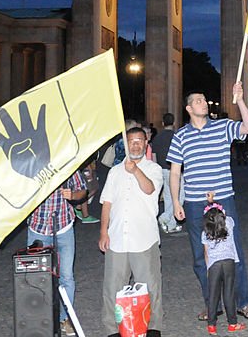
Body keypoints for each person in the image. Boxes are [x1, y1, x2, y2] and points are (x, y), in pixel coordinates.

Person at [167, 82, 248, 321]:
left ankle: (243, 302)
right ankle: (212, 304)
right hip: (195, 202)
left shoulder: (223, 127)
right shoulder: (180, 136)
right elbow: (176, 172)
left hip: (223, 199)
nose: (204, 103)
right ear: (188, 108)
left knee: (233, 251)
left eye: (205, 100)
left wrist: (239, 100)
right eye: (198, 100)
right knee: (201, 256)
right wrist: (176, 202)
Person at [99, 126, 164, 337]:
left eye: (139, 141)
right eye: (131, 141)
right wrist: (103, 231)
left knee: (150, 286)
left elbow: (149, 189)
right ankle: (112, 329)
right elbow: (107, 202)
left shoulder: (153, 168)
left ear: (146, 144)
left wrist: (135, 169)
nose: (135, 145)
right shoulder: (114, 171)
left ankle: (152, 327)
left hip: (143, 238)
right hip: (117, 237)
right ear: (126, 145)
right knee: (112, 287)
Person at [26, 168, 86, 336]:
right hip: (37, 228)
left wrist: (73, 195)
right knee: (36, 278)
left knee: (66, 276)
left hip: (64, 228)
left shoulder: (67, 165)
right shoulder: (30, 168)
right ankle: (40, 320)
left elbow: (83, 190)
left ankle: (65, 319)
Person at [202, 196, 246, 334]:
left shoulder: (205, 234)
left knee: (213, 294)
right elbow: (225, 214)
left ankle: (211, 325)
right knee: (229, 292)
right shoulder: (229, 224)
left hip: (214, 264)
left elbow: (206, 253)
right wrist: (213, 202)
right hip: (228, 261)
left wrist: (208, 267)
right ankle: (232, 323)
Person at [151, 113, 182, 233]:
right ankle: (166, 217)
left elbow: (154, 156)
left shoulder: (157, 137)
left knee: (169, 196)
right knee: (179, 196)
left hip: (161, 169)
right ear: (174, 123)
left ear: (163, 123)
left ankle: (171, 224)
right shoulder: (177, 136)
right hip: (174, 169)